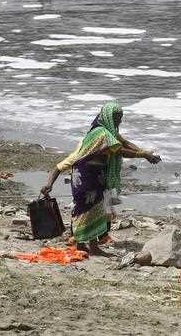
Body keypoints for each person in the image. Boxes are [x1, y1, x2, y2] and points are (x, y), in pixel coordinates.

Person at [40, 101, 160, 256]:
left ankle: (84, 245)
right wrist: (143, 155)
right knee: (88, 209)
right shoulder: (101, 134)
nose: (120, 121)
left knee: (92, 209)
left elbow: (124, 142)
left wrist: (145, 152)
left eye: (121, 118)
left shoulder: (107, 132)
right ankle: (92, 247)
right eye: (117, 118)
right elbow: (118, 150)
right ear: (108, 116)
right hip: (87, 175)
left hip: (95, 175)